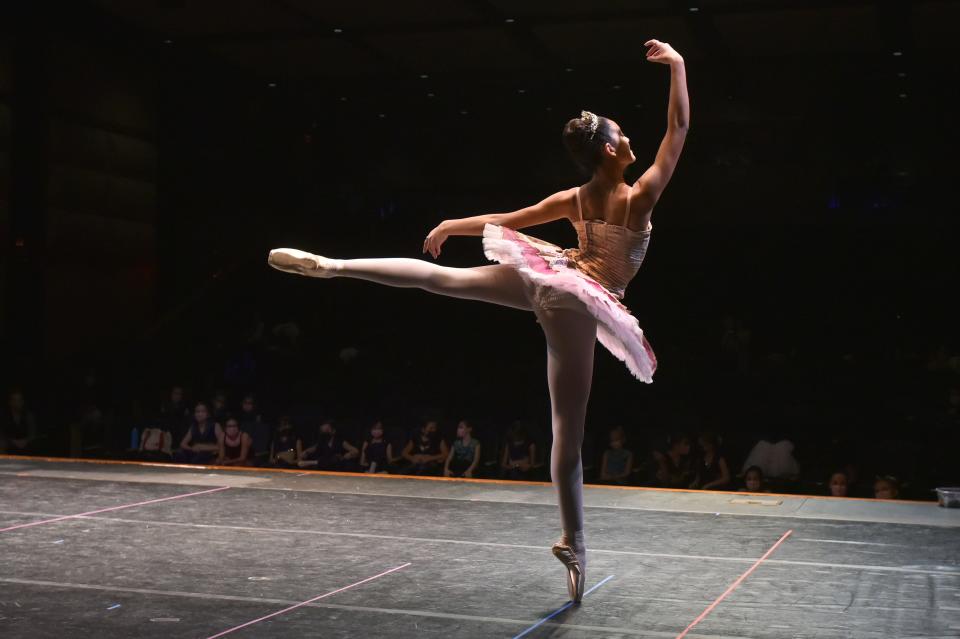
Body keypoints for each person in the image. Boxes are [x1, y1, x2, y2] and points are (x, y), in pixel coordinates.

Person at [266, 39, 689, 603]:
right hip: (579, 296)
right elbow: (678, 130)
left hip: (549, 277)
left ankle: (334, 265)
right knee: (568, 428)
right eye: (622, 133)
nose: (631, 138)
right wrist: (679, 66)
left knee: (442, 279)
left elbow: (503, 218)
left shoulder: (578, 197)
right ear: (611, 151)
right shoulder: (638, 199)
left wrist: (450, 225)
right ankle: (574, 540)